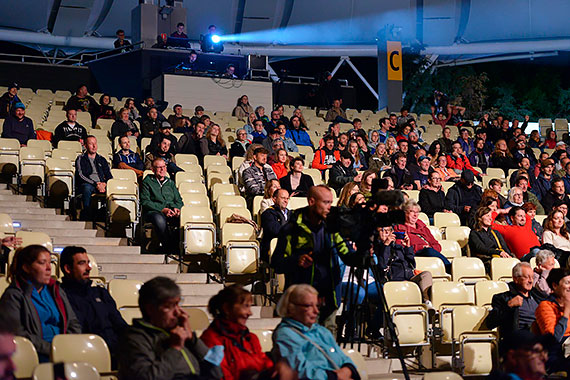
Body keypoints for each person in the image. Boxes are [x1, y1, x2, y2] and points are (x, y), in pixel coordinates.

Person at [272, 186, 357, 333]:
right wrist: (296, 260)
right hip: (302, 303)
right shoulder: (291, 229)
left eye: (331, 202)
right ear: (312, 201)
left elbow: (348, 256)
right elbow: (276, 263)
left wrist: (362, 251)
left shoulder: (333, 228)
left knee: (328, 348)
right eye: (325, 202)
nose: (329, 207)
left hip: (328, 300)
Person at [118, 277, 223, 380]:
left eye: (178, 304)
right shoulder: (135, 338)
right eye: (169, 306)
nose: (177, 312)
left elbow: (216, 373)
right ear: (150, 309)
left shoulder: (180, 333)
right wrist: (175, 348)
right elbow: (148, 376)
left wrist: (192, 339)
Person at [0, 245, 81, 361]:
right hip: (35, 355)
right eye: (42, 263)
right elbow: (18, 335)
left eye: (49, 263)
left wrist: (69, 346)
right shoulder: (13, 296)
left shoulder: (56, 290)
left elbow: (72, 322)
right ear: (26, 267)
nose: (49, 268)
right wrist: (53, 350)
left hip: (64, 352)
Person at [272, 284, 360, 380]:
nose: (316, 311)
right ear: (291, 308)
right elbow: (300, 370)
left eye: (317, 305)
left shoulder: (321, 331)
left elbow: (343, 358)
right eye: (309, 306)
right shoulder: (285, 334)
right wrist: (336, 376)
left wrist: (348, 370)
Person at [201, 285, 285, 380]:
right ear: (227, 308)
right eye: (245, 306)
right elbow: (220, 375)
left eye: (250, 307)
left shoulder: (251, 338)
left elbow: (264, 364)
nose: (250, 313)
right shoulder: (211, 340)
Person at [59, 246, 127, 357]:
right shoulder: (61, 296)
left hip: (116, 352)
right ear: (68, 269)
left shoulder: (100, 293)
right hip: (86, 353)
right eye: (82, 263)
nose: (89, 268)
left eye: (88, 263)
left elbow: (120, 325)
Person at [485, 262, 545, 342]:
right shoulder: (503, 298)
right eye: (527, 277)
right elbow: (490, 323)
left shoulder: (537, 296)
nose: (531, 281)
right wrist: (509, 305)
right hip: (519, 341)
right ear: (516, 279)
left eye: (532, 277)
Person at [141, 158, 183, 255]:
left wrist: (176, 208)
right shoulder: (147, 182)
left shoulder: (170, 183)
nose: (162, 169)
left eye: (164, 167)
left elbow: (179, 200)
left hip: (170, 210)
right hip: (154, 211)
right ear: (153, 169)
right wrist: (162, 209)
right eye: (159, 167)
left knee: (182, 219)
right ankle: (167, 248)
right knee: (159, 219)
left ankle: (176, 248)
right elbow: (145, 202)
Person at [394, 200, 450, 270]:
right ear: (405, 213)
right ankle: (449, 267)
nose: (415, 215)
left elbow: (437, 245)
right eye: (412, 212)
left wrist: (429, 247)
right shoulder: (399, 228)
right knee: (428, 251)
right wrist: (421, 247)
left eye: (417, 212)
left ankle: (449, 267)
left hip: (430, 255)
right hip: (414, 256)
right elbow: (400, 247)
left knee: (429, 250)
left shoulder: (423, 228)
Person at [75, 136, 112, 219]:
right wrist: (96, 184)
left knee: (113, 188)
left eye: (95, 143)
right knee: (86, 188)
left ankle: (108, 215)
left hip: (102, 184)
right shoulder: (81, 159)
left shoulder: (102, 159)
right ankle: (87, 213)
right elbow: (81, 175)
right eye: (91, 144)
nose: (94, 146)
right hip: (89, 183)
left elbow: (109, 175)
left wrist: (105, 184)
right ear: (85, 145)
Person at [260, 189, 290, 262]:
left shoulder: (291, 214)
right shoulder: (268, 214)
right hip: (274, 249)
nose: (286, 201)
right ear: (274, 199)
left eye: (287, 198)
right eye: (283, 198)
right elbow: (275, 231)